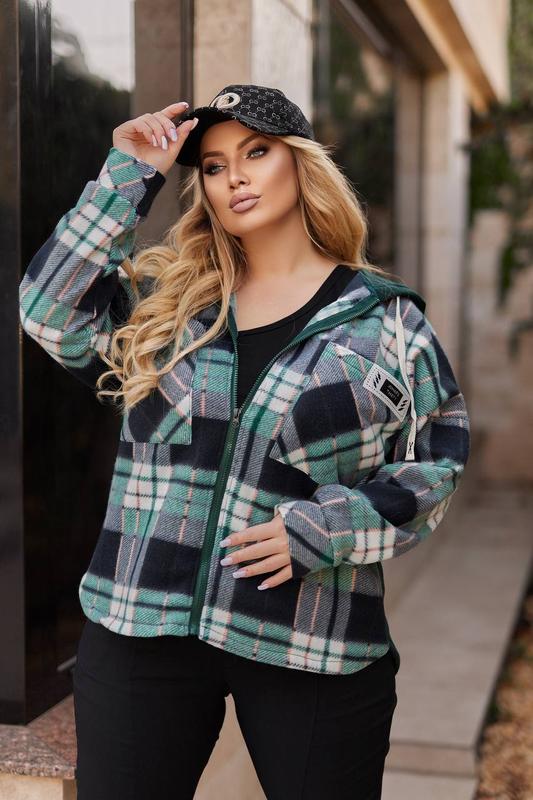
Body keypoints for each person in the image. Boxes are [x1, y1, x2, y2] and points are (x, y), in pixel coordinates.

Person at [18, 84, 471, 799]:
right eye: (214, 164)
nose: (234, 176)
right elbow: (48, 309)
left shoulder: (384, 323)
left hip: (310, 634)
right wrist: (127, 173)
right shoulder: (170, 304)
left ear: (299, 162)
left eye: (256, 152)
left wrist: (323, 530)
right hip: (141, 621)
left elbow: (435, 463)